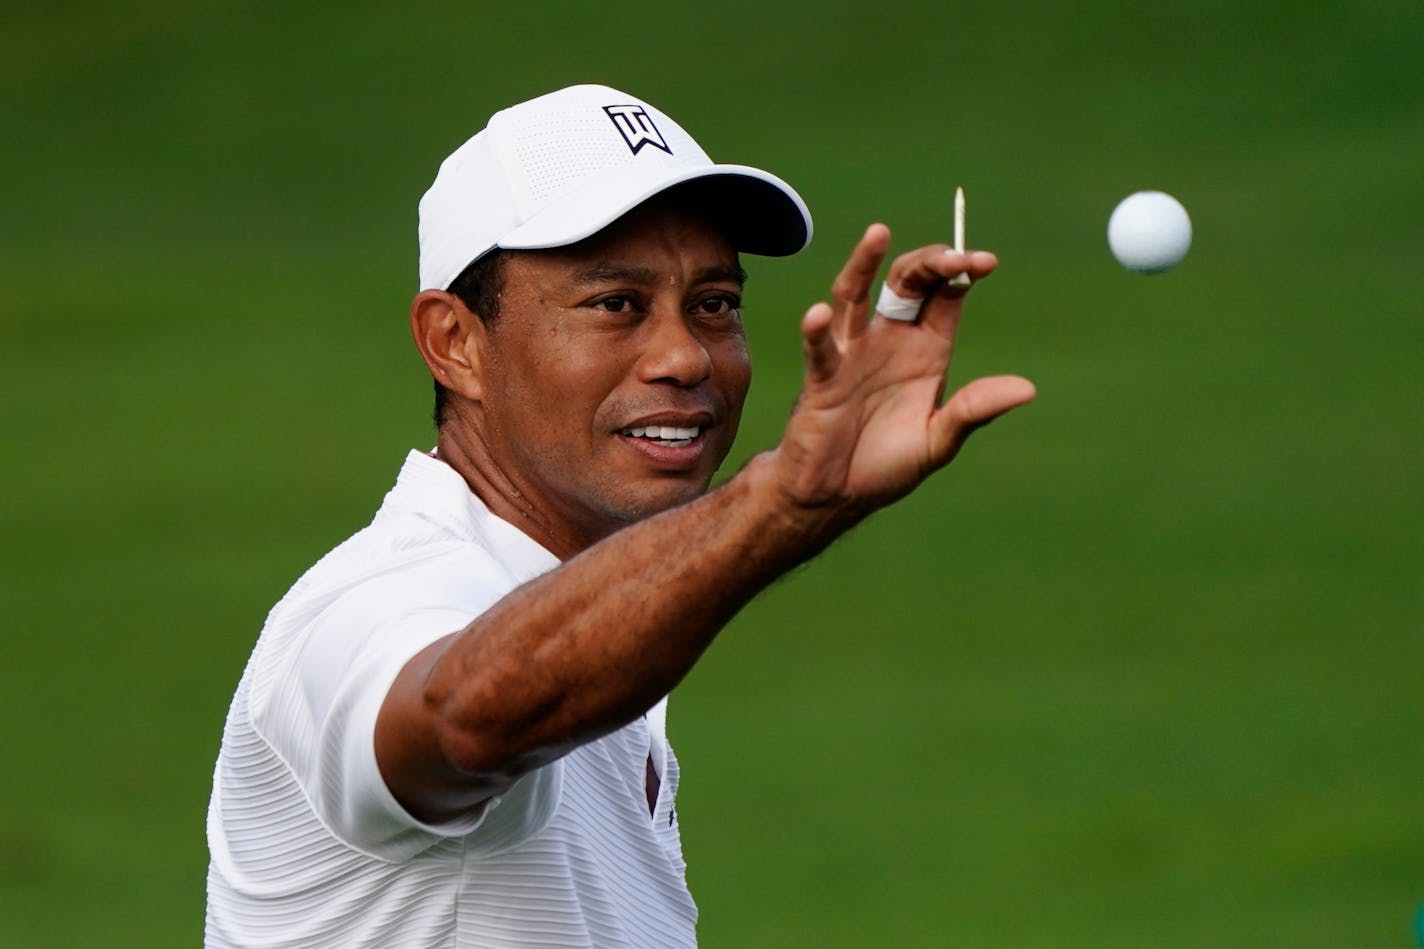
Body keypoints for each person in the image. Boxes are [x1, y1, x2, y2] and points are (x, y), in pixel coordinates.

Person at [204, 83, 1034, 948]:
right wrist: (778, 501)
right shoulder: (373, 601)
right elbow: (461, 718)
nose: (683, 355)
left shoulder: (596, 618)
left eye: (714, 303)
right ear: (456, 342)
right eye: (615, 305)